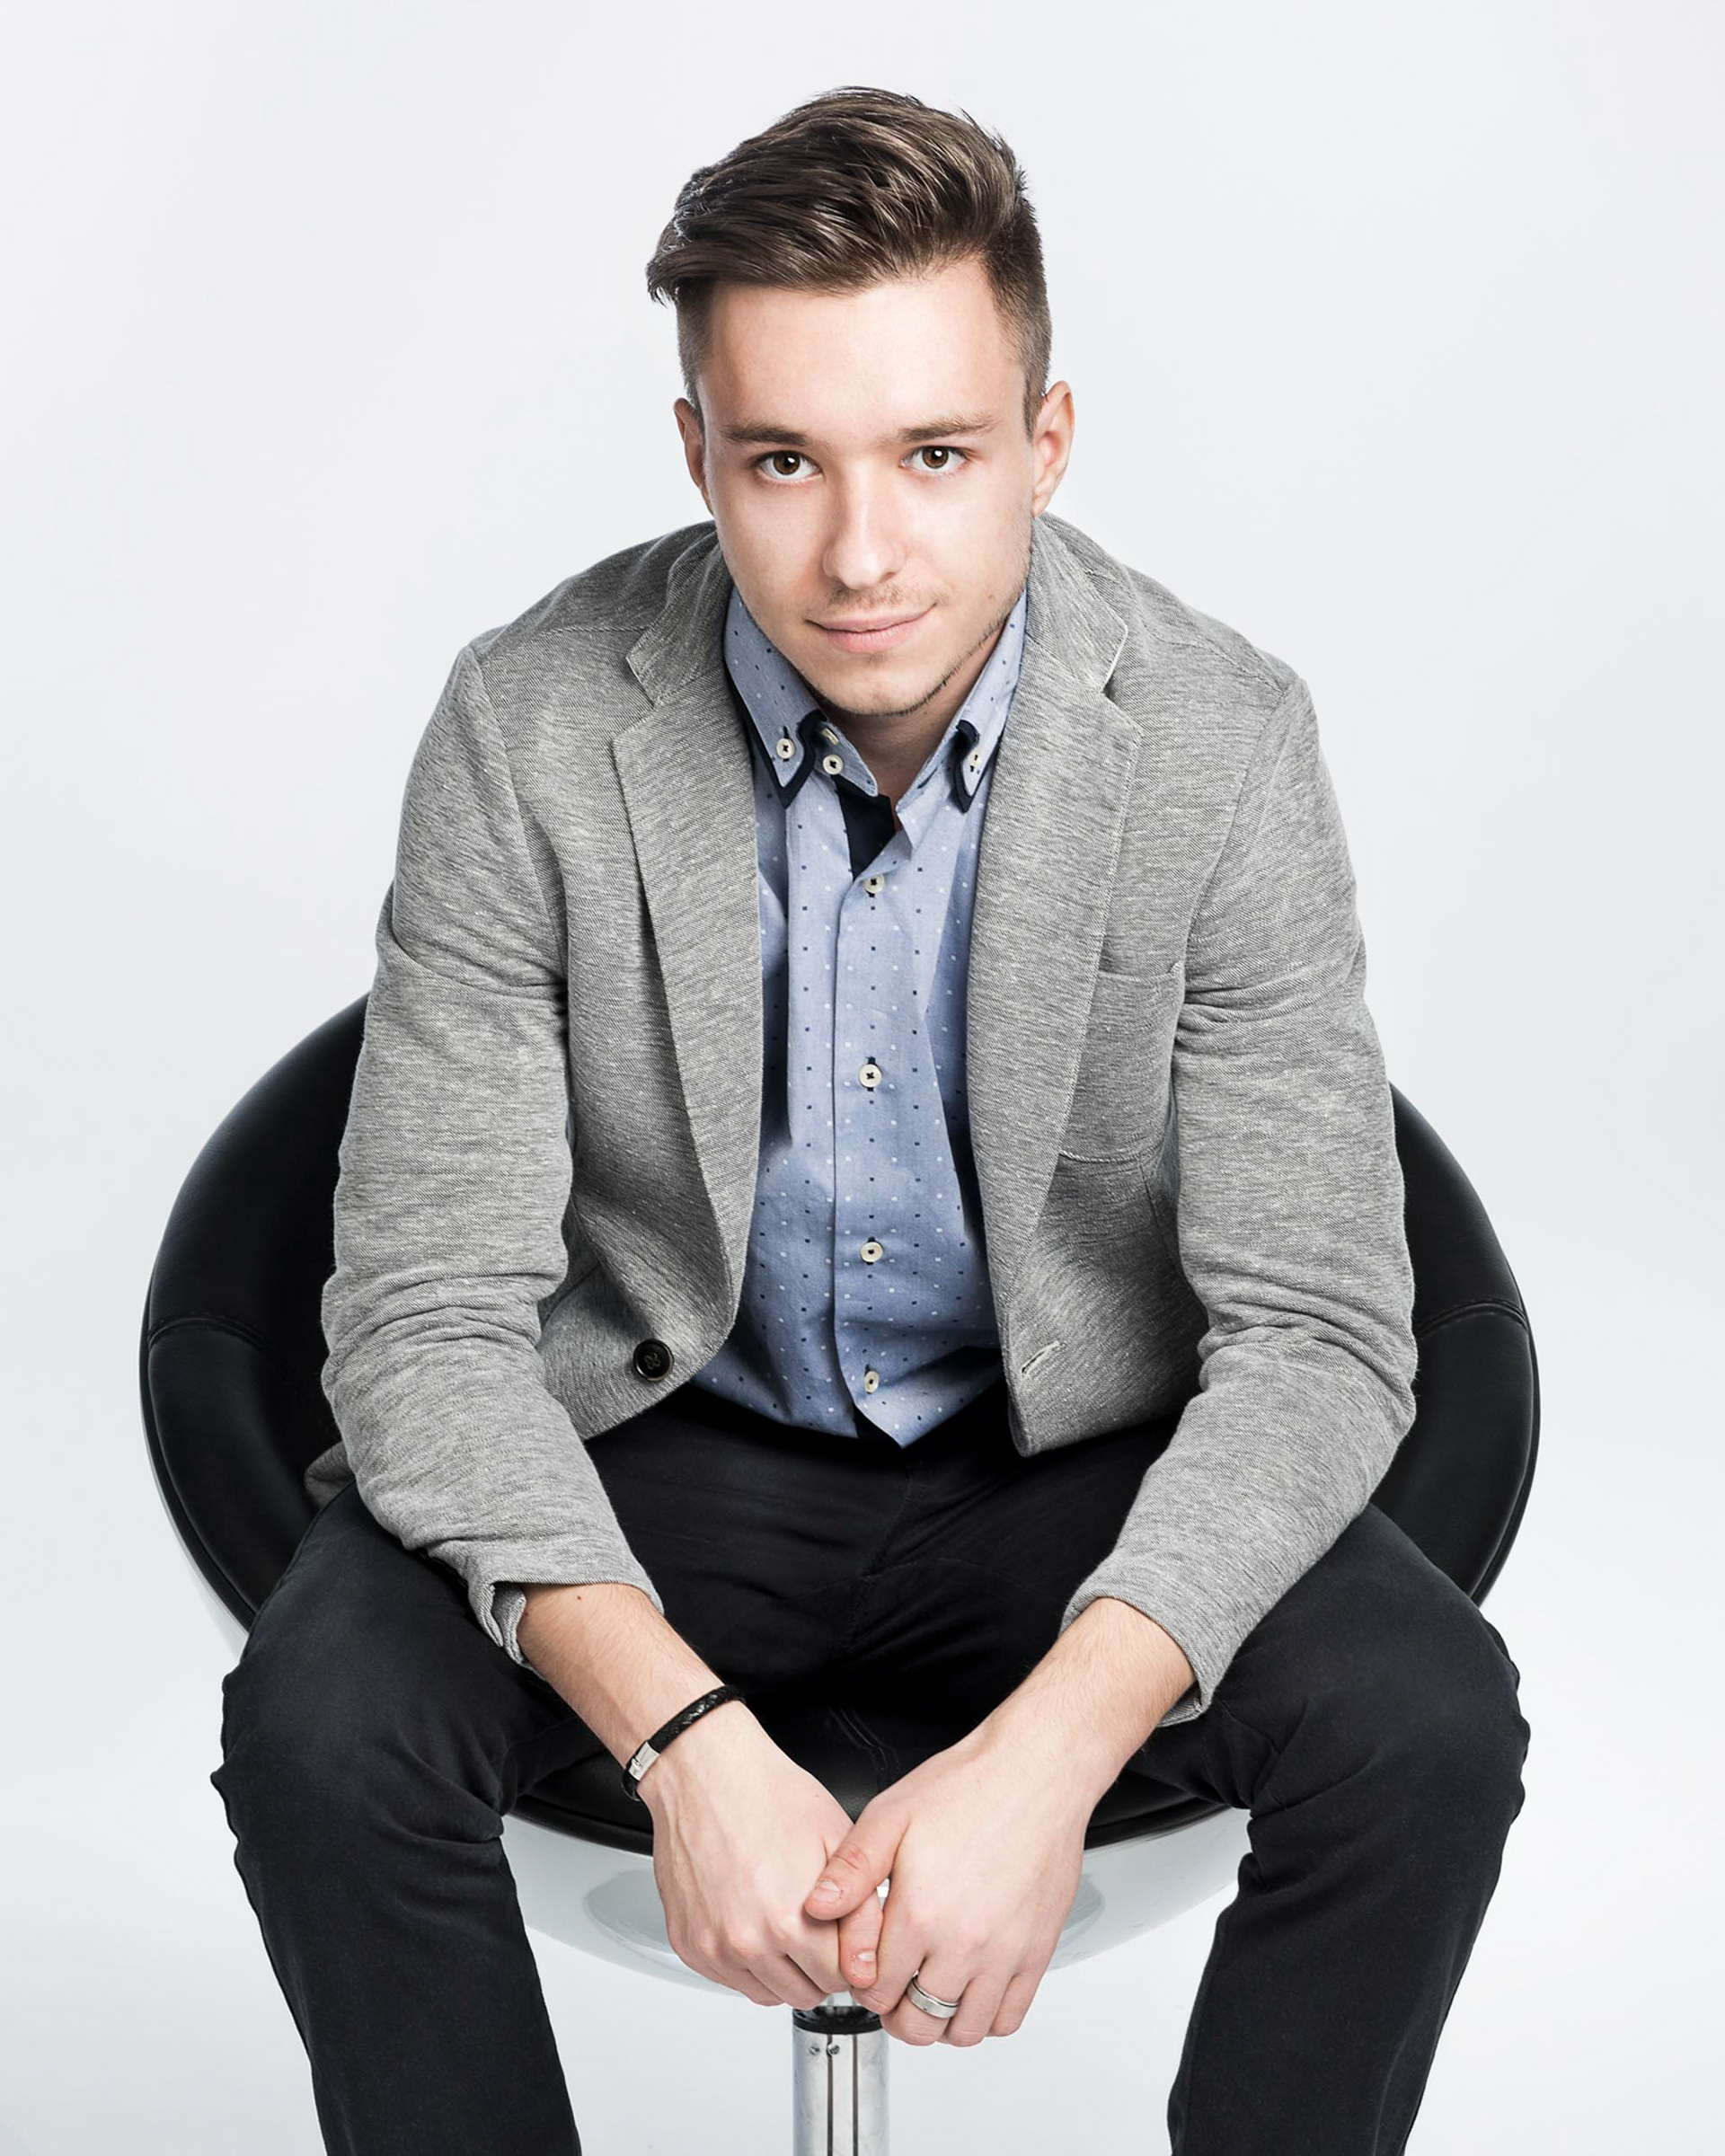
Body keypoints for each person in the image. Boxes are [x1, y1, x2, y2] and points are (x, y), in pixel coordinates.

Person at [210, 83, 1529, 2156]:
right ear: (698, 457)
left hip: (1060, 1459)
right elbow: (421, 1324)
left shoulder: (1225, 740)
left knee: (1429, 1726)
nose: (859, 552)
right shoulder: (529, 724)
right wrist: (687, 1742)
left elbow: (1323, 1329)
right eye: (783, 460)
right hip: (655, 1441)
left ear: (1047, 440)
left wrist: (1048, 1752)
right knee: (319, 1725)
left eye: (935, 453)